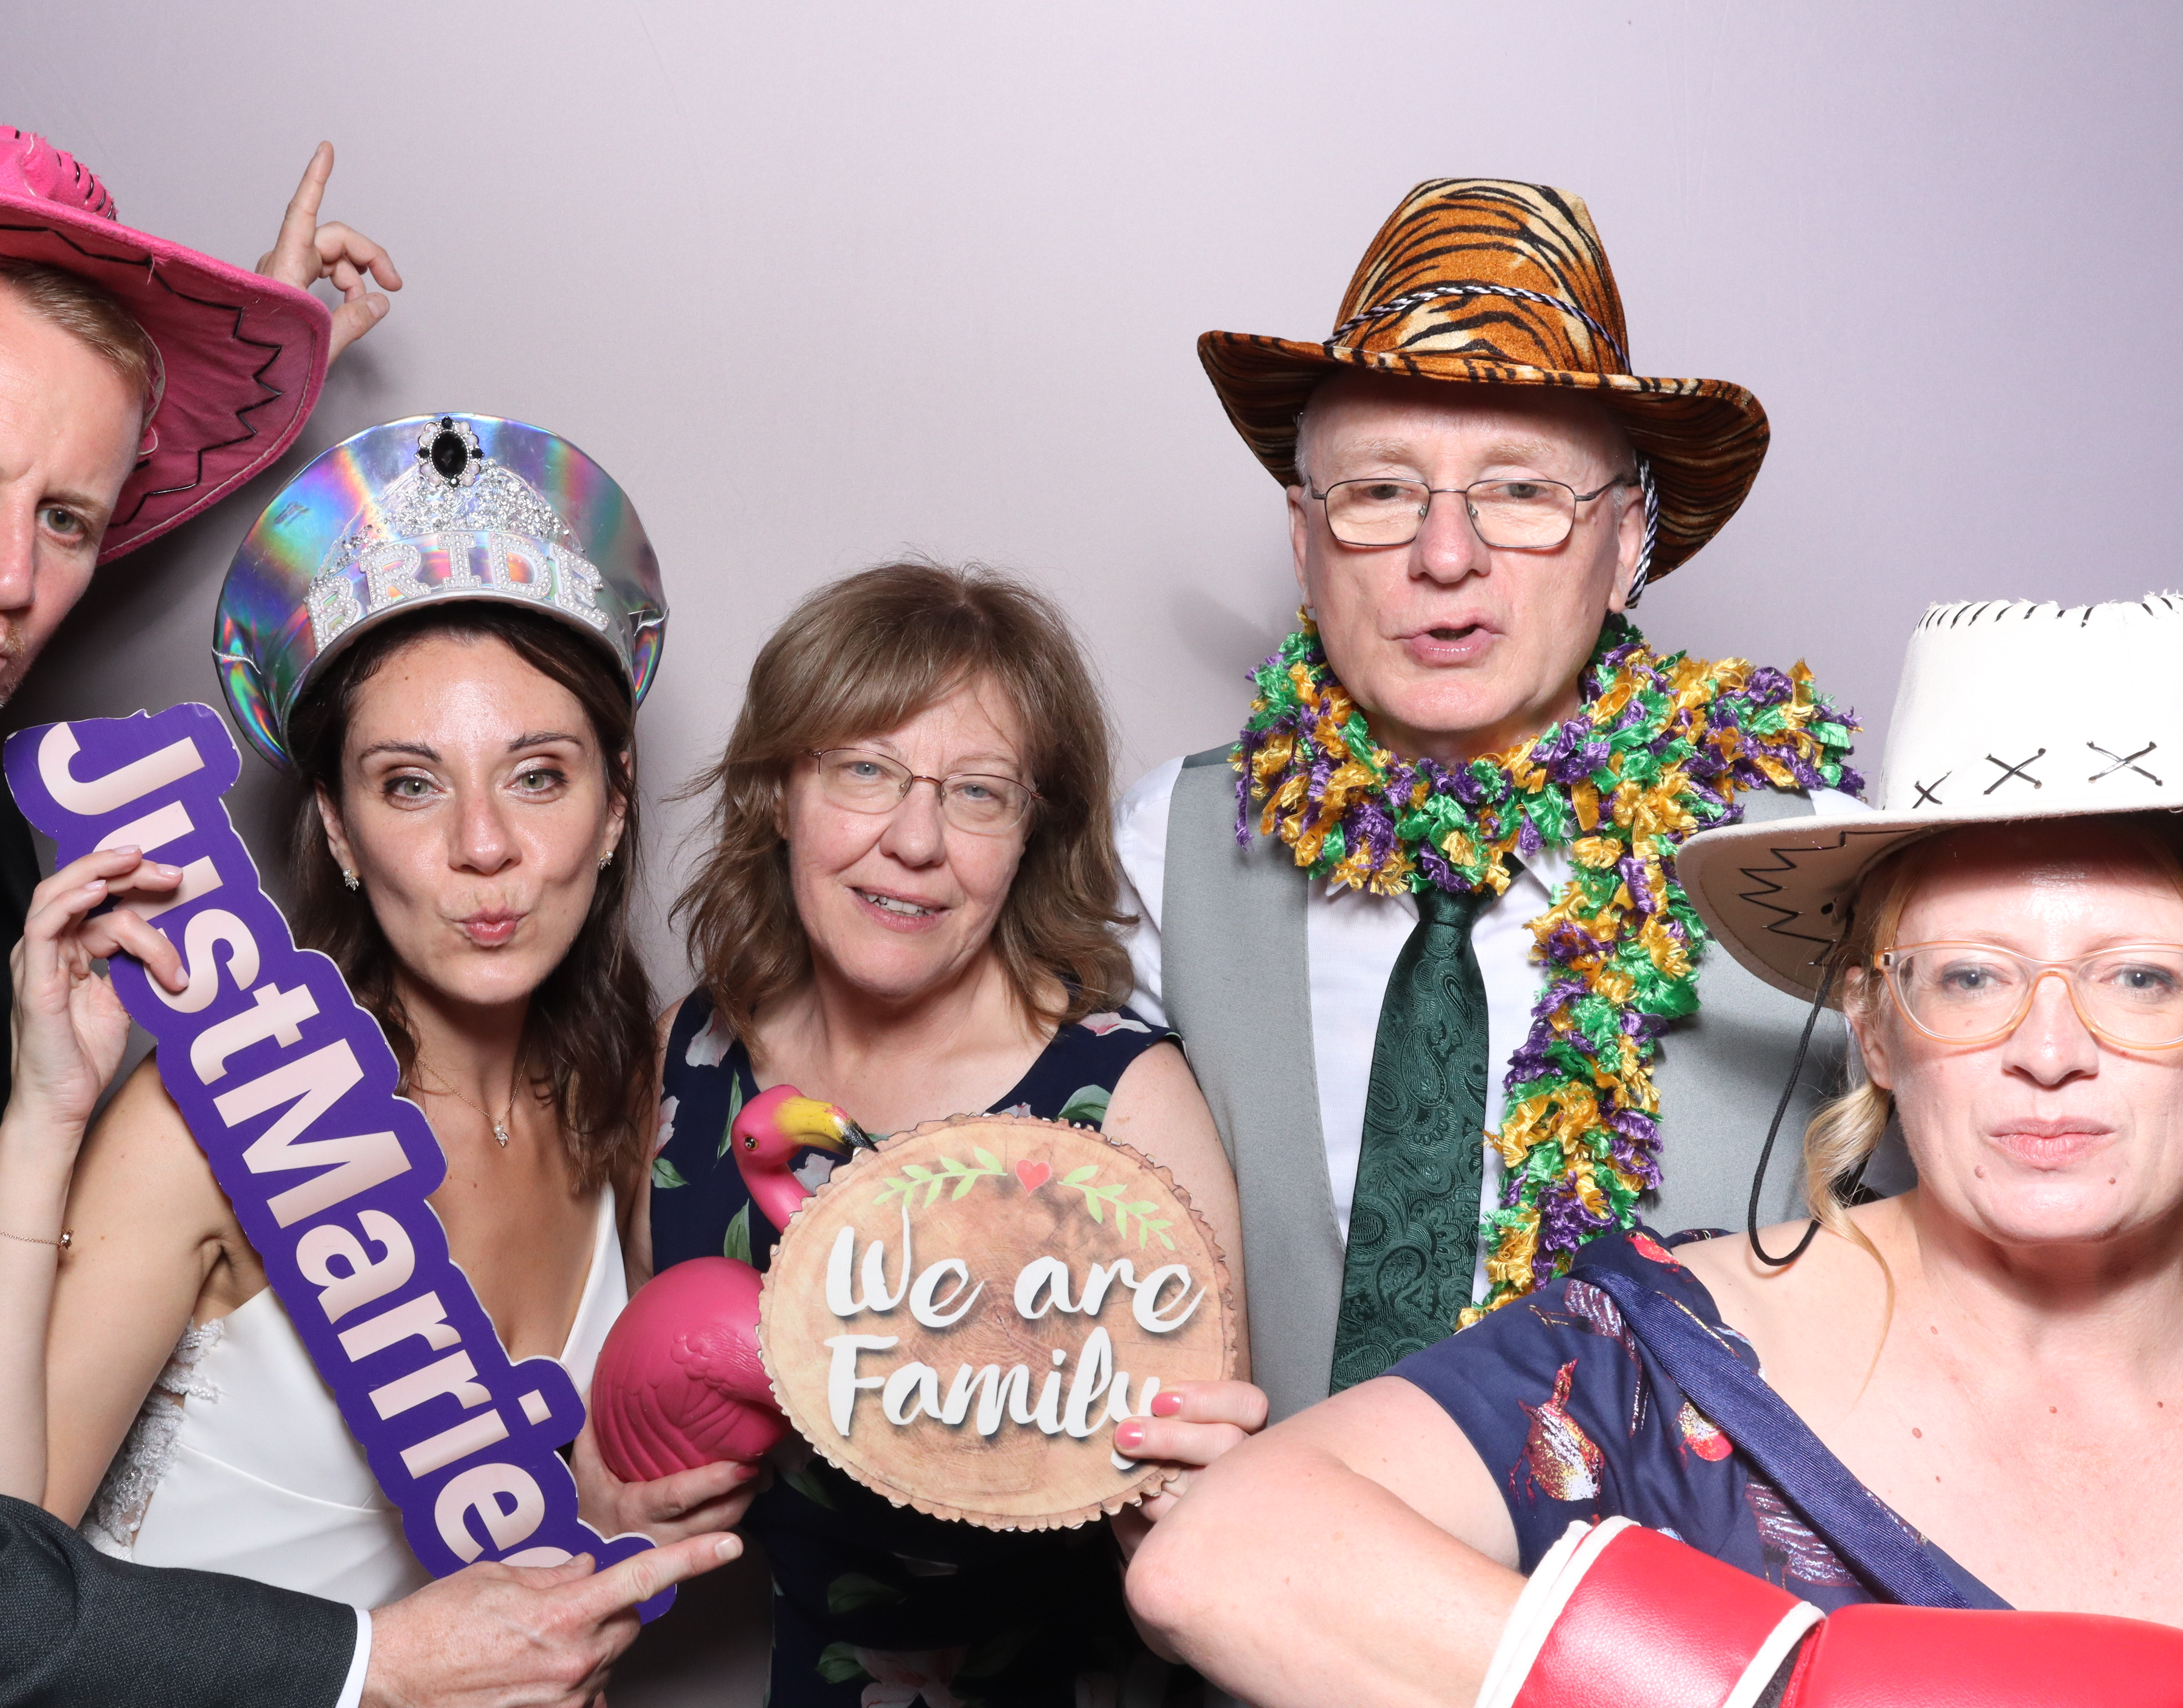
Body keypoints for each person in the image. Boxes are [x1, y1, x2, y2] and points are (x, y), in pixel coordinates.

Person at [0, 120, 727, 1706]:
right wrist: (375, 1668)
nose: (11, 582)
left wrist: (228, 374)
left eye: (67, 518)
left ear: (615, 806)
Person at [1125, 593, 2183, 1706]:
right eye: (1971, 978)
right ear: (1874, 1028)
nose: (2050, 1052)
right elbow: (1226, 1560)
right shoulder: (1654, 1359)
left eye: (2143, 978)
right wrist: (1780, 1693)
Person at [0, 410, 758, 1597]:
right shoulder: (220, 1118)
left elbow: (474, 1522)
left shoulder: (622, 1096)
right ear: (340, 831)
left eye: (537, 776)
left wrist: (588, 1509)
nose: (483, 846)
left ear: (615, 806)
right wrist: (44, 1121)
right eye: (410, 785)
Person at [1115, 178, 1880, 1424]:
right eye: (1380, 492)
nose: (1447, 556)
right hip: (1268, 1539)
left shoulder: (1813, 863)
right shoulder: (1169, 850)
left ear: (1626, 546)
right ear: (1304, 542)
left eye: (1522, 492)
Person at [647, 560, 1245, 1706]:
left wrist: (1178, 1520)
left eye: (978, 792)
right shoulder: (694, 1054)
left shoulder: (1125, 1106)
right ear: (777, 792)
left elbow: (1203, 1585)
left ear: (1031, 833)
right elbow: (647, 1419)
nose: (915, 841)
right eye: (865, 770)